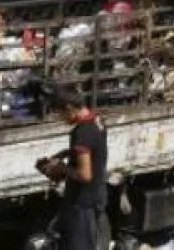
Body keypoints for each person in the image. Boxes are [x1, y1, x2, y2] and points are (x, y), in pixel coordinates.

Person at [37, 87, 110, 250]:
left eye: (61, 114)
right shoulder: (97, 120)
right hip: (96, 196)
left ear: (69, 108)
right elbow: (93, 150)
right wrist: (65, 153)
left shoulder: (83, 133)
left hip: (82, 202)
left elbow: (85, 175)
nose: (62, 119)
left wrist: (63, 169)